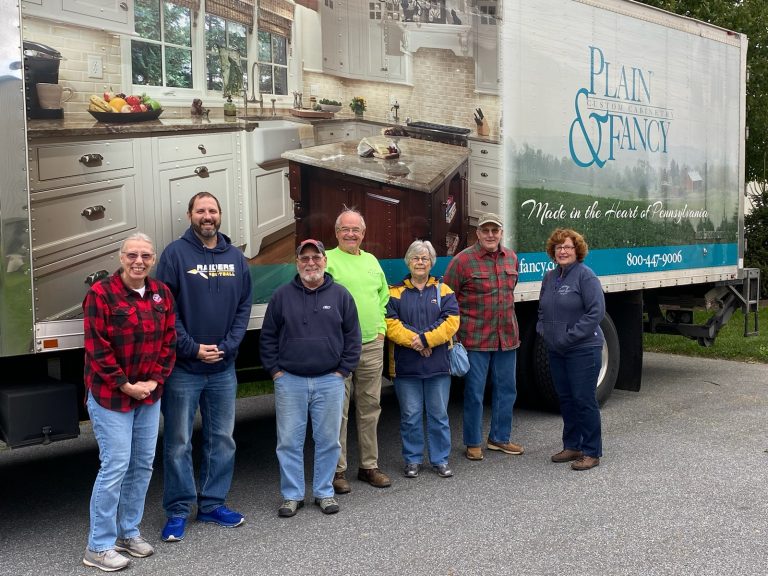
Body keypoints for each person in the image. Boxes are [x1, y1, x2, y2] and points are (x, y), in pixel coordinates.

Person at [155, 192, 253, 542]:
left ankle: (212, 504)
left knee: (222, 439)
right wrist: (192, 348)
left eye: (212, 210)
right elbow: (166, 309)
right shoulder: (174, 254)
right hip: (184, 368)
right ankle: (178, 509)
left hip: (223, 368)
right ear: (190, 215)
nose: (207, 216)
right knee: (178, 442)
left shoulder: (236, 257)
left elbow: (244, 307)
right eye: (201, 211)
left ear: (220, 215)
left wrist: (227, 347)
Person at [82, 233, 176, 572]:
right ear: (121, 257)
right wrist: (126, 385)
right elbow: (98, 348)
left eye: (146, 256)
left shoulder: (161, 294)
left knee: (142, 465)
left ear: (153, 260)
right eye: (132, 255)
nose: (139, 261)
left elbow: (169, 341)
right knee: (115, 466)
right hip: (110, 396)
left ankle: (128, 533)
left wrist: (153, 382)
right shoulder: (100, 294)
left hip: (148, 395)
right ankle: (98, 546)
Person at [260, 239, 362, 517]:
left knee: (329, 440)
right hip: (289, 380)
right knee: (289, 442)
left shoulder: (341, 295)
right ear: (297, 263)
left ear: (325, 261)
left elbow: (353, 337)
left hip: (330, 380)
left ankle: (324, 492)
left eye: (315, 257)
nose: (310, 263)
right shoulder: (282, 296)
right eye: (304, 259)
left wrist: (343, 371)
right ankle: (292, 495)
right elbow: (267, 336)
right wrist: (275, 372)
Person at [443, 212, 524, 461]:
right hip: (475, 339)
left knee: (507, 390)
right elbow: (448, 298)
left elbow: (510, 292)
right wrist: (454, 336)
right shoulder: (462, 261)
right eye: (486, 230)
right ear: (477, 233)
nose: (490, 235)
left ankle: (500, 438)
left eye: (495, 230)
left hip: (507, 337)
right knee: (475, 392)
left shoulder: (511, 258)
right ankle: (473, 442)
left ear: (501, 233)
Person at [325, 208, 392, 492]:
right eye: (345, 229)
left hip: (371, 345)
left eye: (356, 230)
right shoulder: (328, 260)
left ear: (363, 234)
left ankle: (369, 466)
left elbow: (382, 296)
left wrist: (380, 330)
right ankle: (337, 472)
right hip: (339, 348)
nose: (351, 234)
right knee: (337, 410)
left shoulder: (371, 260)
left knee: (370, 407)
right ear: (337, 232)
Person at [385, 240, 460, 479]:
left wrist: (426, 340)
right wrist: (417, 342)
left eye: (425, 258)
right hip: (406, 366)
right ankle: (413, 459)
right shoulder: (394, 292)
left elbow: (451, 321)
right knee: (410, 415)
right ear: (408, 261)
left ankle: (440, 459)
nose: (420, 262)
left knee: (439, 415)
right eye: (415, 258)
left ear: (431, 263)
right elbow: (390, 324)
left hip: (438, 365)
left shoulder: (444, 290)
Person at [537, 228, 605, 471]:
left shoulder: (585, 276)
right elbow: (543, 308)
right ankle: (572, 445)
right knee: (565, 399)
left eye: (567, 247)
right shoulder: (550, 277)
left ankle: (591, 451)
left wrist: (569, 337)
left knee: (583, 399)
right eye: (558, 247)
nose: (562, 251)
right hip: (557, 349)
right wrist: (543, 329)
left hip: (583, 349)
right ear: (553, 252)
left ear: (577, 250)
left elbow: (596, 312)